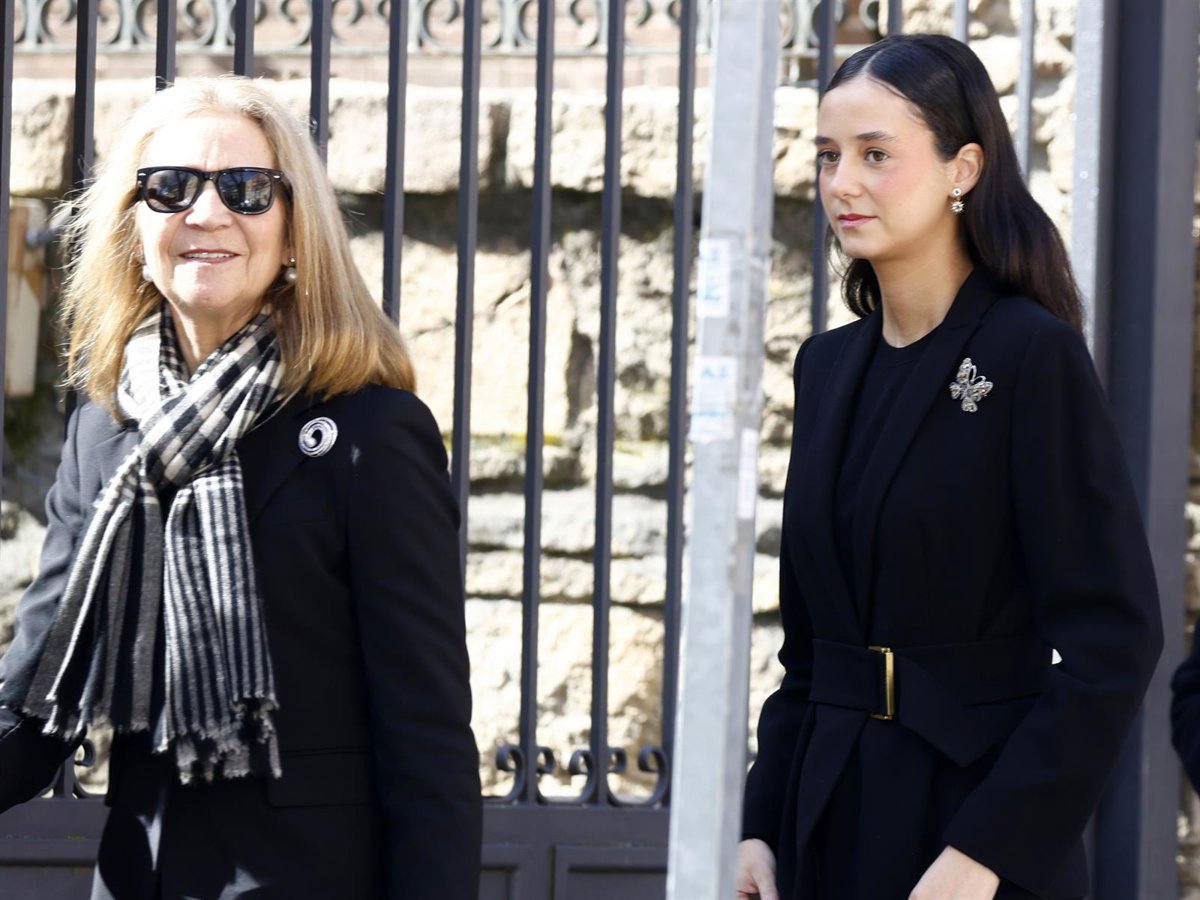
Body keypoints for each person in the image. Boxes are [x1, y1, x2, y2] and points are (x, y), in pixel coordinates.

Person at [0, 76, 481, 899]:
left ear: (294, 231)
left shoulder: (370, 433)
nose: (207, 212)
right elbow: (39, 700)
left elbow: (426, 735)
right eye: (170, 187)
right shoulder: (103, 430)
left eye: (247, 189)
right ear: (133, 228)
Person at [736, 34, 1162, 900]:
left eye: (876, 154)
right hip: (827, 823)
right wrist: (759, 825)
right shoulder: (826, 367)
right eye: (828, 156)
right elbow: (810, 653)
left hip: (972, 833)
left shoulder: (1030, 356)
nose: (841, 183)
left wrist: (991, 850)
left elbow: (1113, 643)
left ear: (962, 169)